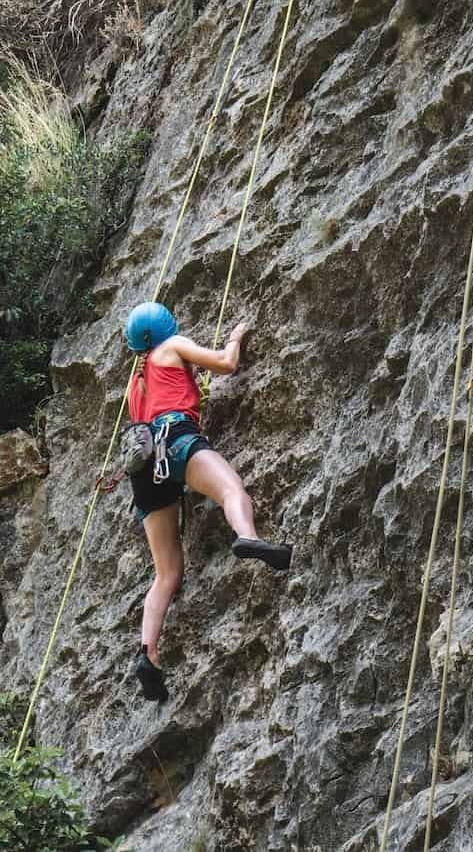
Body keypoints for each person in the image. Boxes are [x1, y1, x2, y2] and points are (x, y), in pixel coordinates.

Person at [124, 301, 292, 703]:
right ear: (166, 325)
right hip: (177, 445)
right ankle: (247, 536)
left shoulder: (135, 383)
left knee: (167, 573)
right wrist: (235, 337)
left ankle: (149, 654)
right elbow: (225, 363)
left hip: (143, 469)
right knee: (232, 489)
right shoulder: (174, 345)